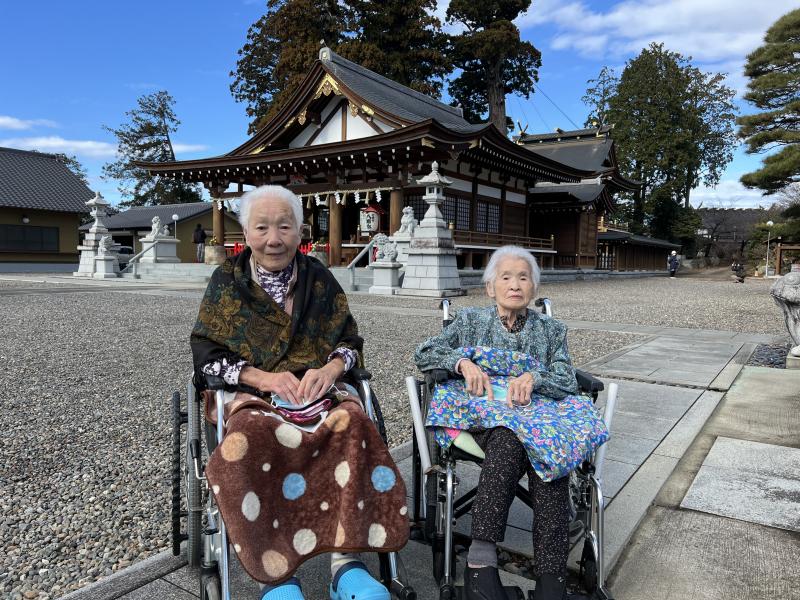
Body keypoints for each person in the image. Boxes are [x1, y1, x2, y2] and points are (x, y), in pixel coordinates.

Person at [190, 185, 407, 600]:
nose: (274, 238)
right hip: (255, 396)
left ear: (300, 229)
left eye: (284, 226)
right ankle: (274, 577)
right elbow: (205, 353)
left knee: (354, 423)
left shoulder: (319, 279)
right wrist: (262, 378)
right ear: (246, 232)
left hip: (317, 394)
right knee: (248, 438)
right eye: (262, 227)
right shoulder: (226, 281)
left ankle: (346, 565)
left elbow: (349, 340)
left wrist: (330, 368)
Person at [415, 246, 607, 600]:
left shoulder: (551, 330)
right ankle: (481, 568)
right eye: (505, 277)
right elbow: (424, 352)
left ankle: (550, 582)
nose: (515, 284)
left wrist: (534, 377)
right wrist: (463, 363)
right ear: (490, 287)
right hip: (487, 417)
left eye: (523, 277)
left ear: (533, 288)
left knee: (547, 455)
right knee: (507, 437)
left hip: (539, 420)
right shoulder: (470, 322)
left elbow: (565, 377)